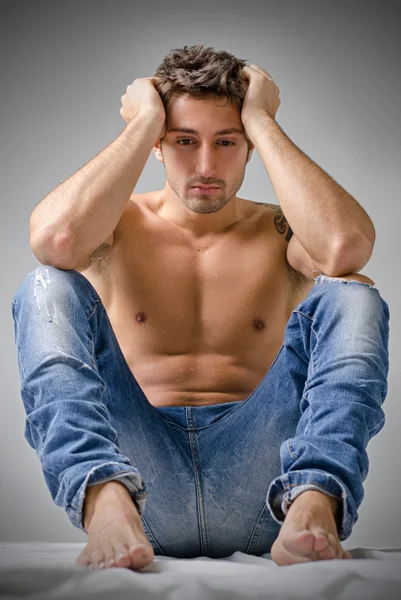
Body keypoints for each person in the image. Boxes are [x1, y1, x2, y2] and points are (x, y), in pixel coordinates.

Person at [11, 45, 389, 571]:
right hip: (141, 491)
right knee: (46, 284)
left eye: (227, 141)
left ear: (250, 146)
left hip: (262, 490)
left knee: (354, 291)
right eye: (185, 141)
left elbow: (345, 248)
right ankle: (102, 502)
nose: (207, 165)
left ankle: (316, 504)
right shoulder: (114, 229)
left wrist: (262, 118)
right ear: (160, 145)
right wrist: (144, 121)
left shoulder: (281, 233)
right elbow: (55, 238)